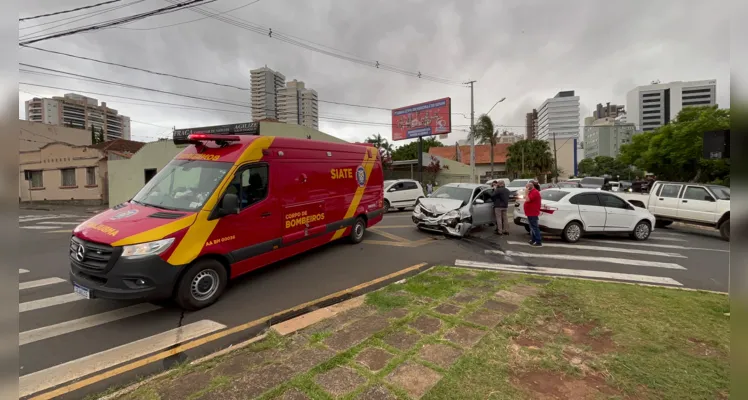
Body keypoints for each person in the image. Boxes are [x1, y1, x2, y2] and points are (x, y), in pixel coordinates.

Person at [524, 181, 542, 246]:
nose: (525, 188)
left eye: (526, 187)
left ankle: (538, 241)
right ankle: (533, 239)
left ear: (529, 187)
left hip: (533, 212)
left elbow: (528, 200)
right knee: (531, 227)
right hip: (530, 212)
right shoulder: (531, 192)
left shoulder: (535, 192)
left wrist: (526, 193)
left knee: (534, 227)